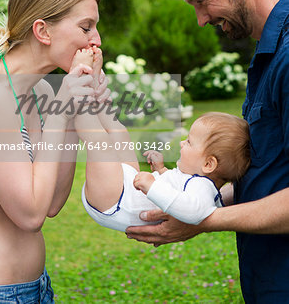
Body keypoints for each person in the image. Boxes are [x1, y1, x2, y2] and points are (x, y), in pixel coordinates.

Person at [125, 0, 289, 303]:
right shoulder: (268, 53)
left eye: (202, 0)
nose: (200, 19)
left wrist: (203, 220)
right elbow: (268, 175)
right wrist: (188, 195)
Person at [0, 0, 109, 302]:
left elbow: (53, 203)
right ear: (42, 30)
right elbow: (29, 215)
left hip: (37, 287)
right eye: (86, 27)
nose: (96, 40)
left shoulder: (41, 90)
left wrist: (70, 109)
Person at [72, 47, 250, 232]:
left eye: (189, 142)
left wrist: (152, 186)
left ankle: (79, 85)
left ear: (208, 164)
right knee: (120, 132)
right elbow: (178, 190)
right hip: (126, 188)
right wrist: (161, 170)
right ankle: (97, 91)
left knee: (98, 140)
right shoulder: (195, 179)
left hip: (116, 202)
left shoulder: (203, 188)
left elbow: (193, 212)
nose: (182, 143)